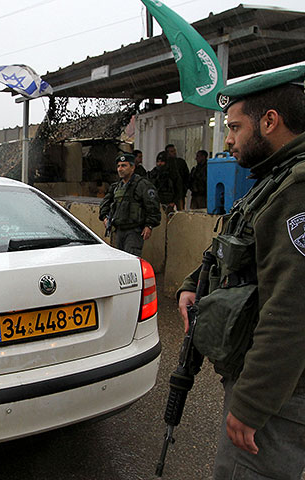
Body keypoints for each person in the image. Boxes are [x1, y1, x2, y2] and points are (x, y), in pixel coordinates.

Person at [177, 66, 305, 479]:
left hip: (283, 393)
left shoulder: (297, 191)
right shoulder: (275, 178)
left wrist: (251, 404)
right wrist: (192, 283)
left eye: (234, 127)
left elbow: (292, 309)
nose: (227, 139)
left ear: (270, 121)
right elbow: (240, 244)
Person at [99, 153, 161, 256]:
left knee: (131, 258)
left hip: (134, 231)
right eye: (118, 166)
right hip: (118, 230)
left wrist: (149, 225)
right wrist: (105, 217)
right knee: (118, 260)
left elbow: (153, 207)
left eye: (124, 165)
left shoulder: (142, 185)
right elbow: (104, 204)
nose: (120, 169)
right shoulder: (116, 187)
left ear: (132, 167)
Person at [165, 143, 190, 208]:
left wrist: (184, 189)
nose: (174, 153)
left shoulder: (180, 162)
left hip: (179, 193)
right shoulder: (165, 163)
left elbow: (186, 176)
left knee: (180, 213)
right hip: (168, 195)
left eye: (174, 151)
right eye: (172, 151)